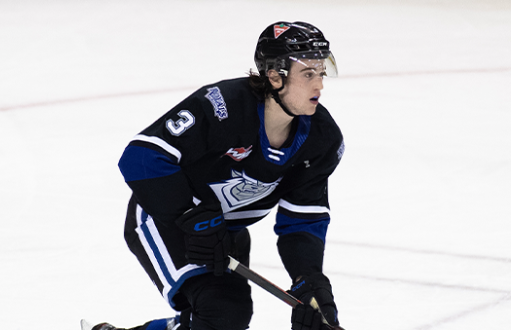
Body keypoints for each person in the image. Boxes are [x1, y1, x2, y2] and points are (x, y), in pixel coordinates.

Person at [86, 21, 345, 330]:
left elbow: (303, 219)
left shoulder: (322, 138)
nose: (320, 85)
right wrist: (190, 217)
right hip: (166, 217)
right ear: (275, 77)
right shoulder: (224, 106)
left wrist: (310, 282)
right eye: (308, 74)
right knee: (223, 311)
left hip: (223, 232)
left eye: (321, 73)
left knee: (225, 316)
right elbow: (142, 157)